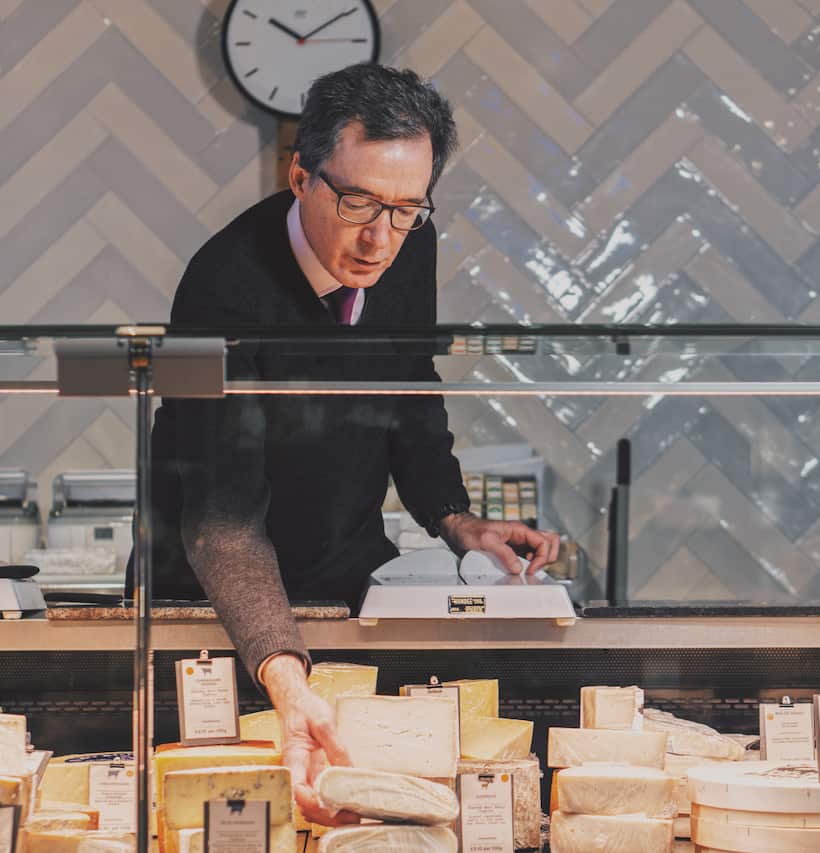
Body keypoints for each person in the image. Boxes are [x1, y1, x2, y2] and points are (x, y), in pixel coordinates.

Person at [140, 64, 561, 824]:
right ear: (301, 176)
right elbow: (223, 516)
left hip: (343, 580)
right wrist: (283, 668)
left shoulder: (406, 243)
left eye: (406, 210)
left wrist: (452, 515)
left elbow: (407, 378)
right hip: (213, 604)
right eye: (359, 201)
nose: (380, 238)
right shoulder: (222, 284)